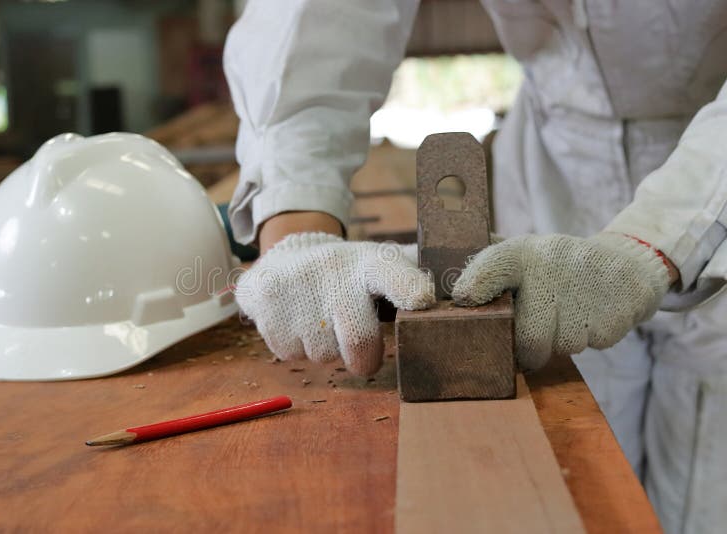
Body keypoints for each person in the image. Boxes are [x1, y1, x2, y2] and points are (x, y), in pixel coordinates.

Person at [223, 2, 727, 532]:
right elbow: (318, 18)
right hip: (551, 170)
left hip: (712, 163)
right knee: (578, 471)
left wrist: (661, 240)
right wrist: (296, 224)